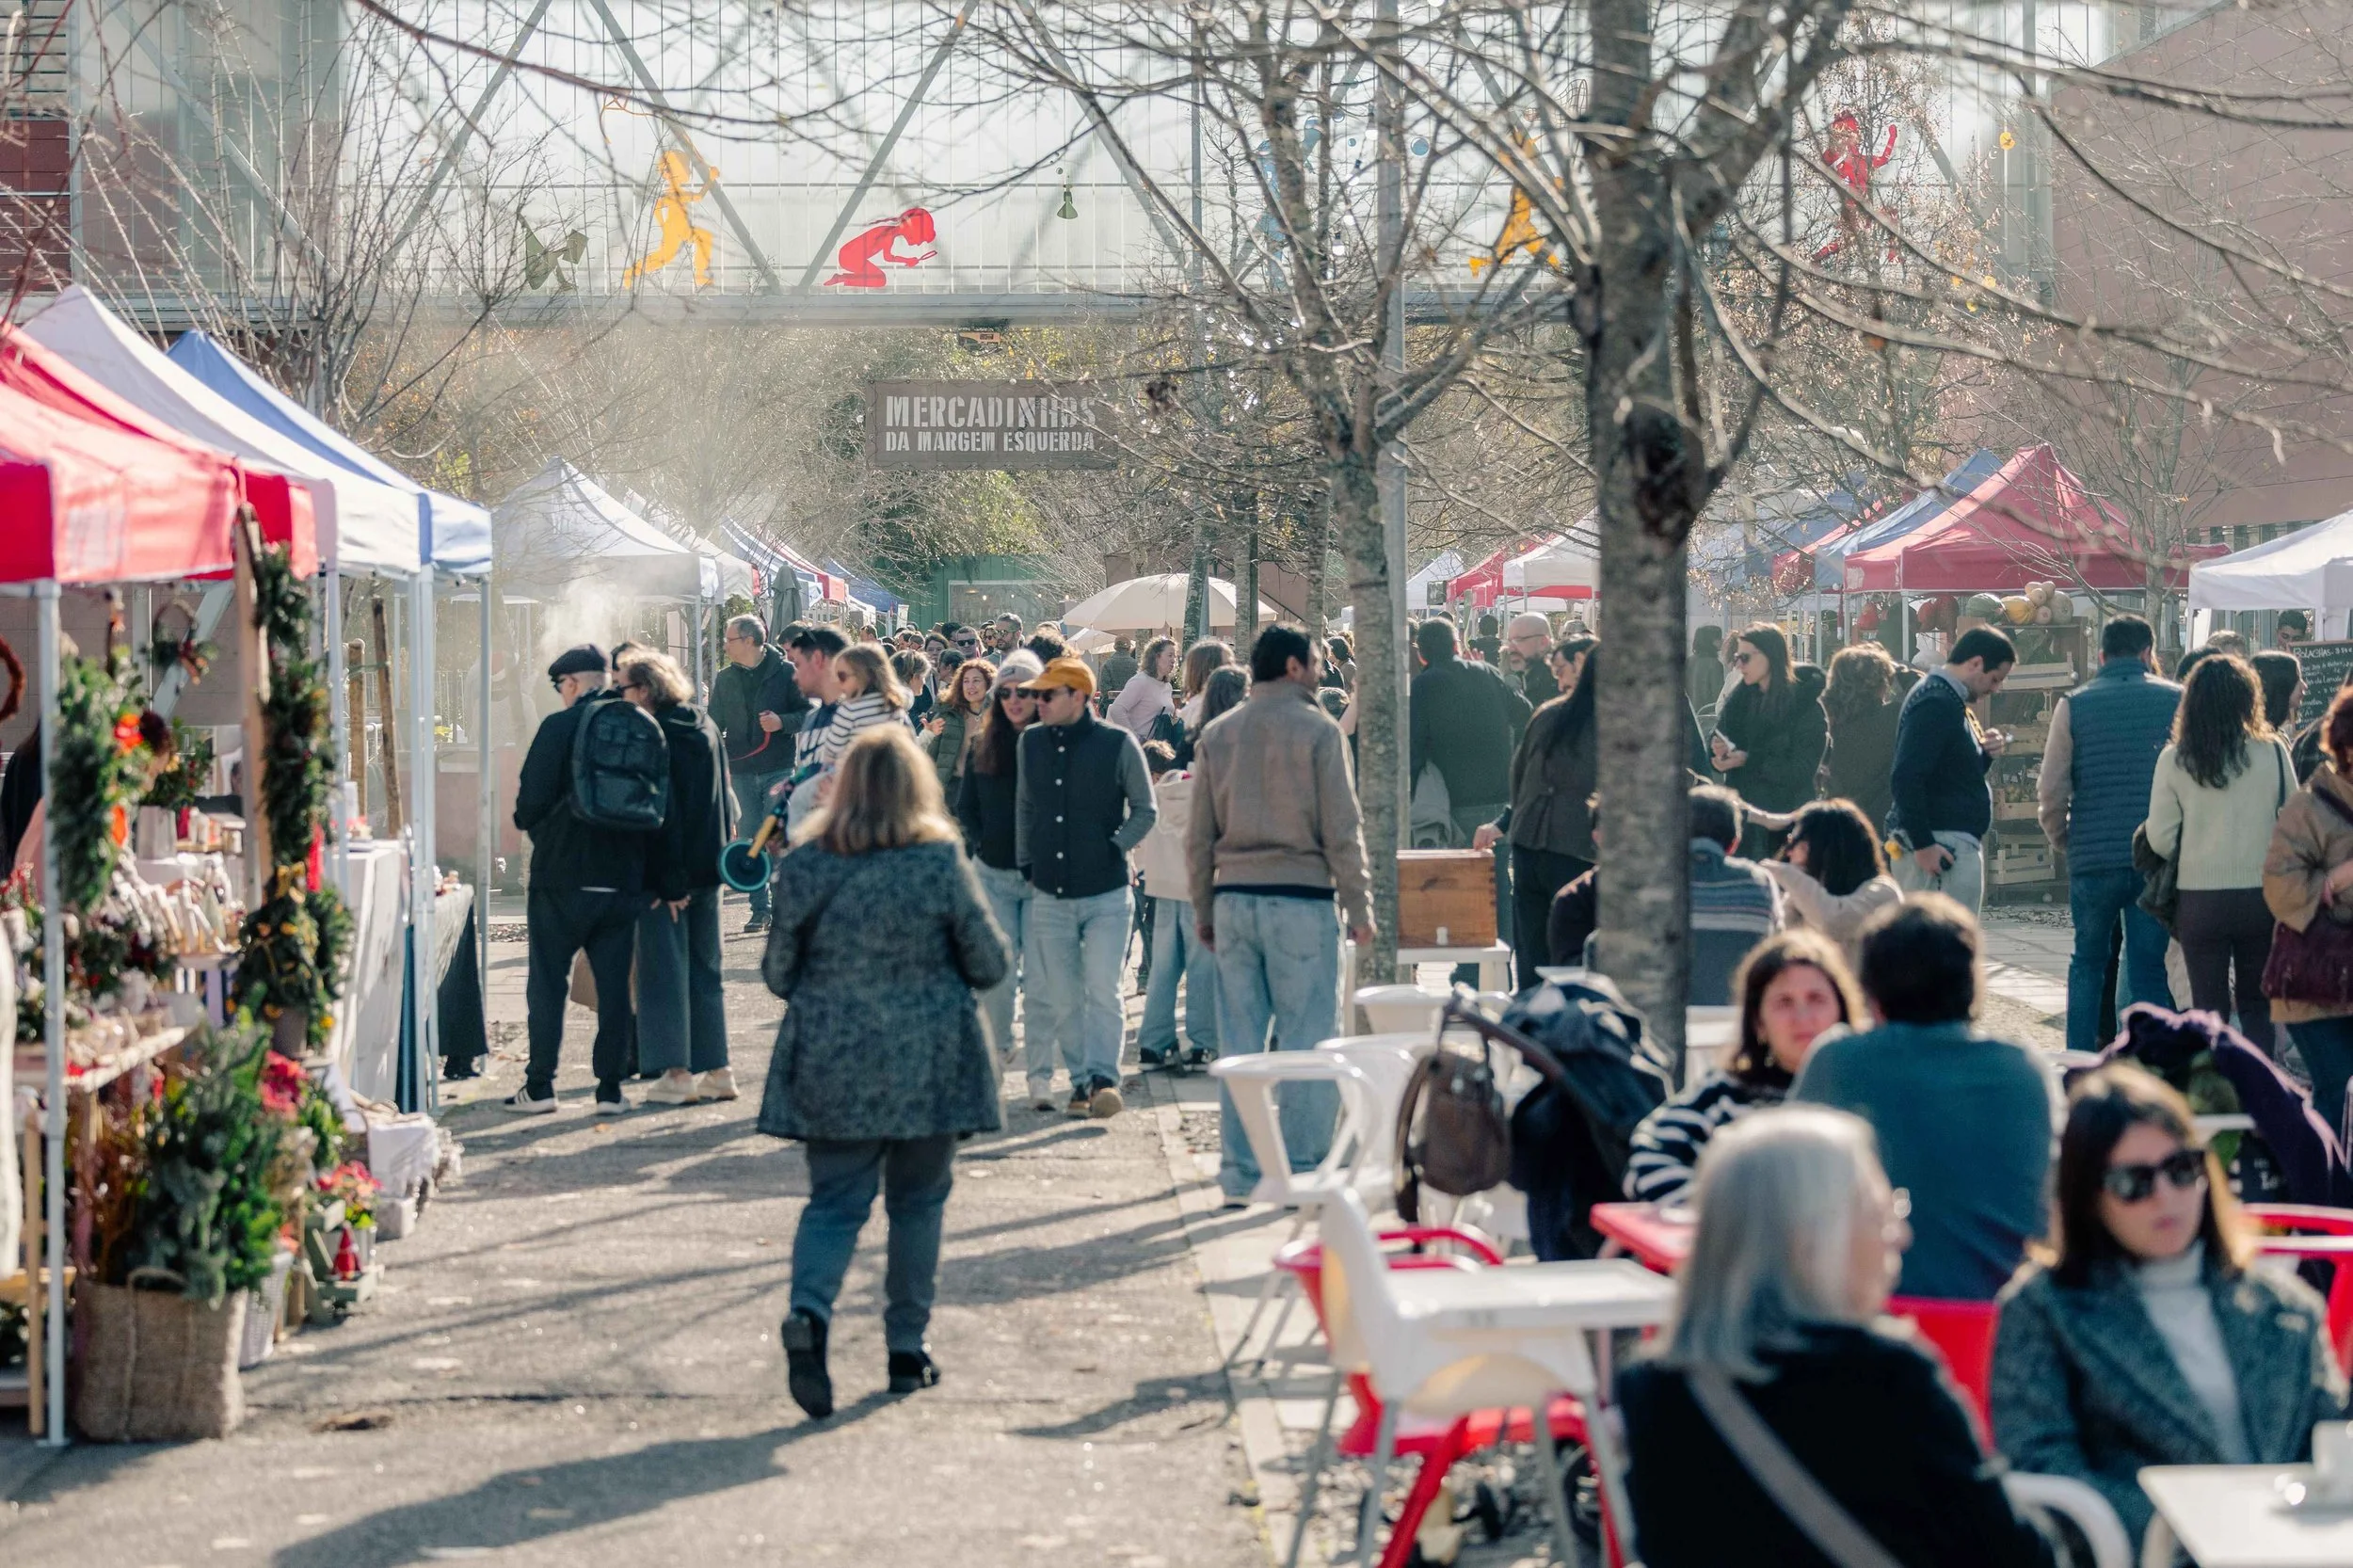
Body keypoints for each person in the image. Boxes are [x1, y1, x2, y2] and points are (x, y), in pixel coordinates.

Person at [1619, 1108, 2057, 1568]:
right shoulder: (1889, 1378)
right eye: (1880, 1213)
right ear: (1811, 1241)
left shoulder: (1652, 1391)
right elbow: (2017, 1555)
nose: (1901, 1236)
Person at [761, 726, 1011, 1420]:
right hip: (928, 1057)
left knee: (834, 1203)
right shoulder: (938, 862)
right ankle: (907, 1349)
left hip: (834, 1055)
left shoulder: (806, 865)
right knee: (918, 1203)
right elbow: (988, 962)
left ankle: (809, 1313)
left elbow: (778, 973)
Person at [1992, 1065, 2347, 1544]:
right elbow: (2043, 1472)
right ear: (2086, 1196)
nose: (2166, 1196)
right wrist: (2194, 1527)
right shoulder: (2043, 1310)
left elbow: (2333, 1442)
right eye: (2133, 1183)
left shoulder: (2287, 1307)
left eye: (2183, 1170)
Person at [1793, 895, 2060, 1300]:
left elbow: (1783, 1194)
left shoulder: (1836, 1062)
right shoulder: (2023, 1071)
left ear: (1871, 994)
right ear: (1972, 987)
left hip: (1861, 1323)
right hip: (1996, 1331)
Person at [1190, 627, 1373, 1208]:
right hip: (1302, 897)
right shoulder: (1319, 731)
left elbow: (1199, 837)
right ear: (1295, 667)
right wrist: (1359, 905)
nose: (1321, 670)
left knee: (1239, 1042)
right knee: (1308, 1039)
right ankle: (1299, 1169)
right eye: (1316, 661)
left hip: (1234, 896)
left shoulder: (1218, 733)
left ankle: (1240, 1174)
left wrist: (1204, 907)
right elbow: (1343, 829)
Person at [508, 645, 648, 1115]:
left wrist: (549, 833)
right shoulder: (639, 724)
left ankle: (541, 1086)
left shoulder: (557, 727)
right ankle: (610, 1088)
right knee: (613, 986)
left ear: (571, 683)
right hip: (622, 876)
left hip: (561, 876)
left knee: (547, 983)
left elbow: (527, 806)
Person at [1625, 931, 1865, 1204]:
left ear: (1842, 1011)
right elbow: (1649, 1156)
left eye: (1816, 999)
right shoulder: (1727, 1093)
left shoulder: (1871, 1089)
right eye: (1784, 1002)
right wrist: (1714, 1218)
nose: (1803, 1017)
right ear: (1758, 1023)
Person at [1018, 656, 1156, 1118]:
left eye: (1047, 695)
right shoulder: (1032, 744)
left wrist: (1115, 847)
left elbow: (1145, 809)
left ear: (1079, 696)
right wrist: (1026, 862)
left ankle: (1103, 1080)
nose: (1037, 702)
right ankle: (1079, 1080)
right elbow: (1025, 807)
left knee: (1102, 988)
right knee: (1063, 994)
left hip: (1105, 892)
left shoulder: (1118, 743)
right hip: (1050, 889)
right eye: (1036, 694)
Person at [2038, 614, 2182, 1054]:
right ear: (2147, 653)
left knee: (2087, 962)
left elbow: (2052, 786)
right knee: (2148, 966)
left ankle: (2078, 1058)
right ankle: (2152, 1061)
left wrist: (2064, 838)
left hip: (2092, 858)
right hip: (2153, 856)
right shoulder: (2177, 700)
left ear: (2101, 656)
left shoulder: (2073, 705)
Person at [2147, 652, 2295, 1042]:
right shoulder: (2274, 752)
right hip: (2260, 897)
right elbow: (2294, 822)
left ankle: (2216, 1092)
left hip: (2200, 899)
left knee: (2208, 1008)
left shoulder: (2175, 759)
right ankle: (2259, 1086)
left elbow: (2159, 837)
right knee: (2257, 1004)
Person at [616, 648, 734, 1106]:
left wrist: (668, 881)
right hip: (710, 864)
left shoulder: (653, 731)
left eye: (624, 687)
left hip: (670, 872)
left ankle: (677, 1072)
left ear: (644, 689)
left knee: (663, 973)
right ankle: (719, 1068)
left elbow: (663, 811)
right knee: (707, 970)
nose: (620, 695)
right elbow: (719, 797)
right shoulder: (702, 724)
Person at [1475, 635, 1600, 989]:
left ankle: (1530, 1026)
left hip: (1530, 844)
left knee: (1532, 955)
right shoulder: (1615, 724)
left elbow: (1519, 781)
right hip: (1578, 849)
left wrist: (1507, 823)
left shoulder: (1548, 715)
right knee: (1573, 955)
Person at [1408, 616, 1532, 970]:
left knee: (1465, 893)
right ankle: (1499, 967)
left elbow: (1414, 747)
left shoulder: (1425, 686)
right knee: (1499, 891)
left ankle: (1470, 973)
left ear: (1421, 655)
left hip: (1458, 802)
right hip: (1502, 797)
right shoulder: (1487, 673)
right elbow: (1524, 713)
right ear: (1456, 645)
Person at [2264, 684, 2353, 1136]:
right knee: (2334, 1087)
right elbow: (2280, 887)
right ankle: (2327, 1184)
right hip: (2315, 982)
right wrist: (2338, 879)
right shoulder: (2310, 806)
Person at [954, 650, 1044, 1098]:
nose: (1012, 699)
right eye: (1004, 691)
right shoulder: (982, 745)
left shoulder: (1053, 744)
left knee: (1045, 980)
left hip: (1045, 879)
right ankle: (997, 1051)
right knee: (999, 975)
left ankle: (1041, 1074)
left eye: (1022, 691)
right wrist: (979, 845)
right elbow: (965, 808)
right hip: (993, 873)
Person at [1887, 625, 2016, 914]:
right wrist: (1924, 846)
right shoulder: (1936, 702)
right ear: (1976, 663)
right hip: (1942, 849)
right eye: (1995, 679)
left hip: (1944, 843)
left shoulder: (1946, 699)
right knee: (1942, 948)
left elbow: (1950, 773)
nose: (1995, 689)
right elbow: (1906, 776)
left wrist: (1983, 754)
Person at [709, 614, 805, 934]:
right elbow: (713, 724)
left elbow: (808, 714)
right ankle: (758, 909)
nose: (725, 645)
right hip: (740, 771)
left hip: (778, 766)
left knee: (774, 838)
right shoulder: (724, 679)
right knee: (749, 839)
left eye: (729, 639)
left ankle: (779, 910)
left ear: (750, 641)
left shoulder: (787, 672)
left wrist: (782, 722)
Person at [1131, 740, 1218, 1067]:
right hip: (1201, 888)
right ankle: (1203, 1044)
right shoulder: (1204, 789)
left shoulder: (1159, 792)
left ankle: (1153, 1044)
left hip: (1163, 888)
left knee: (1162, 970)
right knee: (1202, 970)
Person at [1710, 624, 1828, 852]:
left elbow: (1801, 771)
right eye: (1736, 657)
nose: (1738, 665)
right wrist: (1718, 752)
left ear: (1770, 656)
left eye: (1745, 657)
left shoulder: (1806, 707)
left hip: (1787, 826)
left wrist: (1748, 760)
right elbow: (1719, 736)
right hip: (1743, 824)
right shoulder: (1740, 701)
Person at [1757, 798, 1902, 963]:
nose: (1788, 852)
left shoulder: (1883, 891)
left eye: (1796, 844)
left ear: (1826, 848)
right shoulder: (1804, 896)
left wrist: (1779, 871)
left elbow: (1834, 922)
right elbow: (1781, 946)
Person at [1685, 784, 1784, 1004]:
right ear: (1733, 845)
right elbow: (1777, 946)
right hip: (1735, 1021)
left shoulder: (1654, 879)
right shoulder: (1758, 880)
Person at [1821, 642, 1901, 834]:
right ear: (1881, 682)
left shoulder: (1825, 720)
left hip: (1834, 823)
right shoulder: (1894, 718)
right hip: (1882, 827)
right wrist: (1906, 675)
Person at [783, 625, 849, 833]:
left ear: (818, 659)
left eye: (797, 664)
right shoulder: (811, 719)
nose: (794, 676)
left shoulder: (865, 715)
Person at [922, 656, 993, 792]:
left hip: (984, 787)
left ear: (988, 684)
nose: (970, 686)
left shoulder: (997, 716)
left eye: (976, 681)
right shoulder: (949, 714)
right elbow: (930, 755)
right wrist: (929, 733)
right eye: (966, 681)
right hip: (950, 788)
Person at [1105, 635, 1178, 741]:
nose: (1173, 660)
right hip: (1139, 750)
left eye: (1175, 656)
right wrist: (1135, 739)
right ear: (1156, 657)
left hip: (1157, 749)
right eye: (1170, 655)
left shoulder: (1167, 686)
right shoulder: (1140, 681)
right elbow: (1117, 710)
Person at [1176, 638, 1232, 728]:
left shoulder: (1220, 702)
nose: (1233, 669)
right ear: (1209, 669)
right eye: (1227, 664)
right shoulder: (1200, 710)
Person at [1504, 612, 1558, 705]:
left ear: (1543, 642)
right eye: (1509, 641)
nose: (1511, 648)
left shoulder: (1557, 682)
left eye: (1518, 640)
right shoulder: (1522, 678)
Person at [1687, 625, 1725, 727]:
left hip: (1689, 716)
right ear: (1711, 641)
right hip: (1707, 718)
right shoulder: (1715, 665)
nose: (1722, 640)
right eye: (1719, 637)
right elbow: (1718, 696)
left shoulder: (1688, 662)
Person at [894, 649, 934, 725]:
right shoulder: (897, 709)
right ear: (915, 677)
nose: (924, 682)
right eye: (923, 677)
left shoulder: (895, 702)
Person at [1098, 635, 1138, 703]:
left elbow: (1104, 689)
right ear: (1129, 647)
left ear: (1114, 647)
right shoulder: (1136, 665)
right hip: (1132, 706)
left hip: (1111, 706)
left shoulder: (1107, 665)